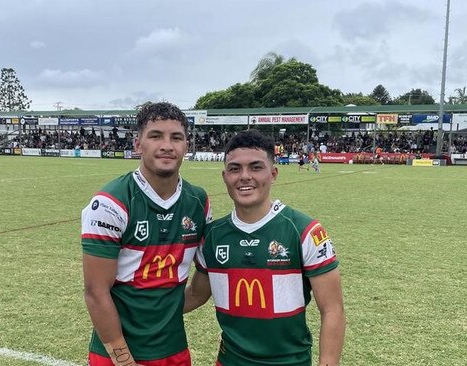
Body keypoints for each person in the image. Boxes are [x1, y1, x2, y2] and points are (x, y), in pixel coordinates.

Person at [184, 130, 345, 366]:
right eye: (235, 168)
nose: (244, 176)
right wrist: (142, 307)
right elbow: (197, 294)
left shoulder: (304, 230)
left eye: (256, 167)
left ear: (273, 173)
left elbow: (333, 310)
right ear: (225, 176)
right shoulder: (212, 236)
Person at [81, 102, 212, 366]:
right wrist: (124, 360)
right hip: (117, 354)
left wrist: (165, 312)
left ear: (187, 145)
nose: (167, 145)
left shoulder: (198, 201)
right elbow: (96, 292)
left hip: (174, 350)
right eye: (156, 136)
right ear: (138, 144)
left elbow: (206, 274)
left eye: (176, 137)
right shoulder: (111, 202)